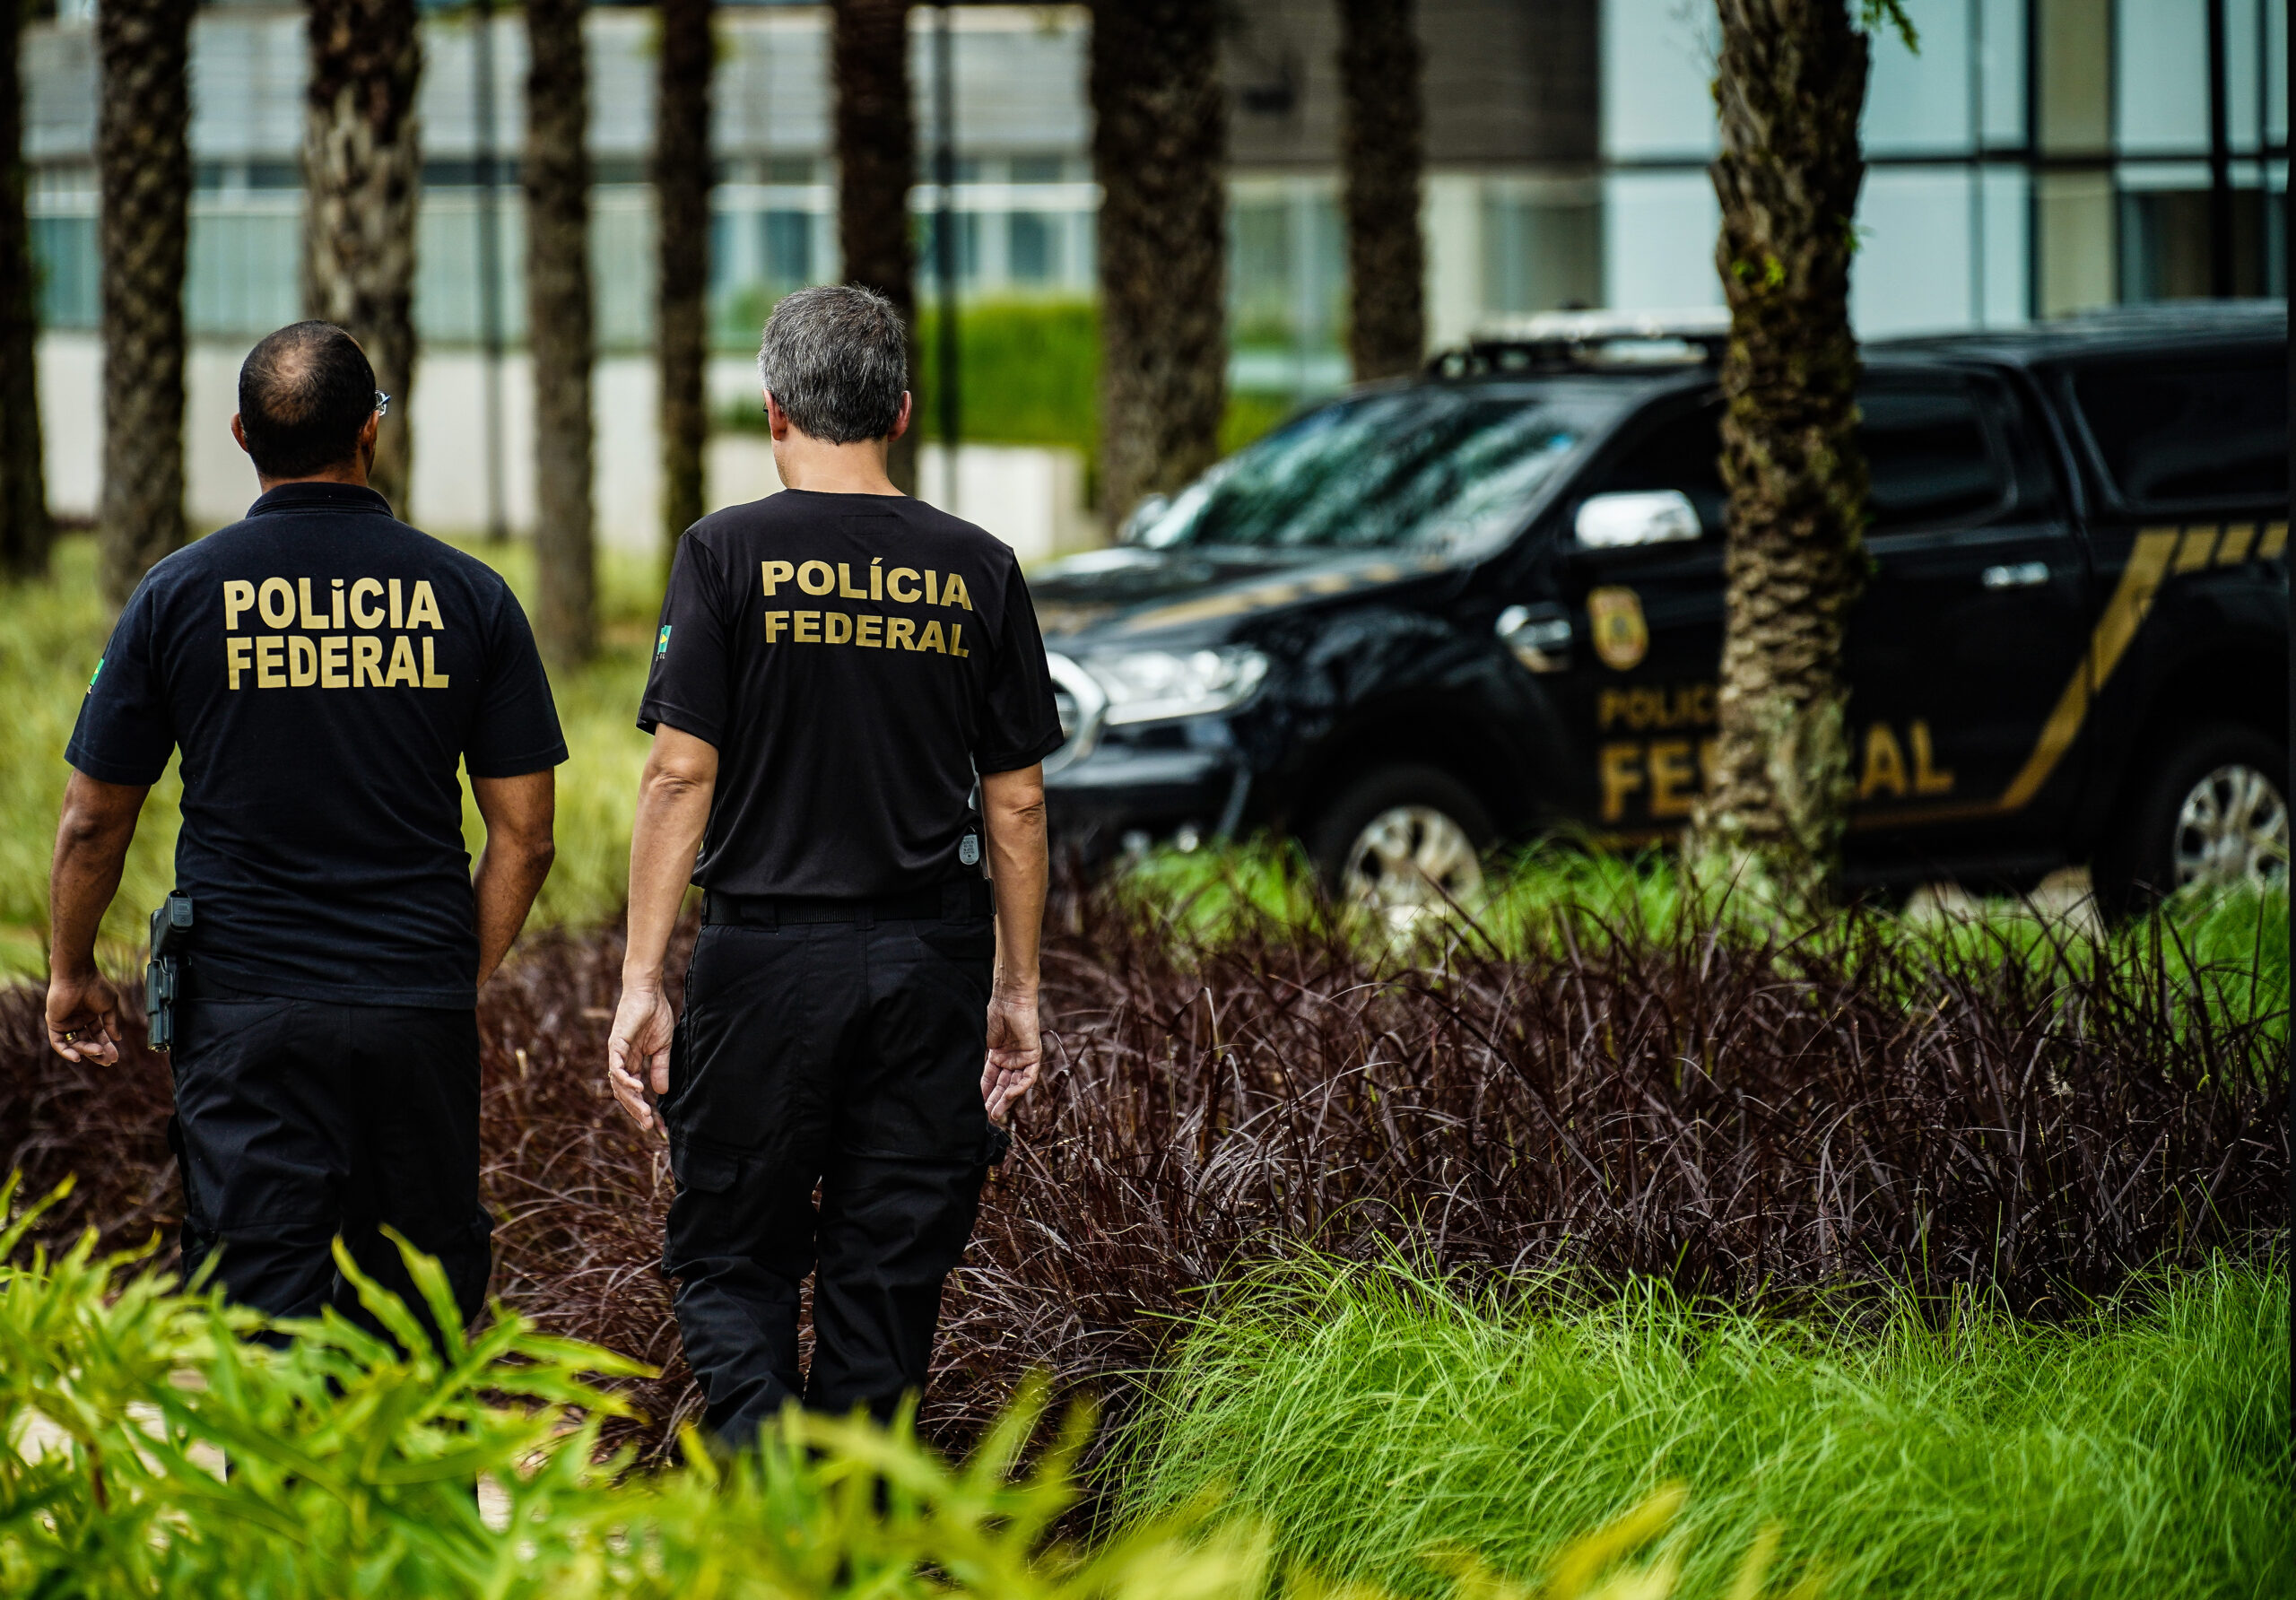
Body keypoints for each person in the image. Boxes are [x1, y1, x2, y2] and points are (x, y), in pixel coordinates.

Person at [46, 320, 565, 1342]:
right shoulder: (471, 595)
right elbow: (527, 835)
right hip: (413, 1006)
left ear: (242, 434)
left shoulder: (177, 594)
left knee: (257, 1306)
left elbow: (92, 819)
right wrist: (449, 972)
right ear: (371, 429)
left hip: (245, 1012)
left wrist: (70, 970)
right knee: (415, 1306)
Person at [606, 283, 1061, 1444]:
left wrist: (643, 981)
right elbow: (1016, 800)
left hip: (764, 966)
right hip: (927, 966)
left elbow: (677, 776)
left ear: (774, 410)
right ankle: (852, 1518)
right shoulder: (980, 566)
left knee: (730, 1254)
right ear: (900, 411)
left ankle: (769, 1499)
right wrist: (1015, 990)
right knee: (887, 1271)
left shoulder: (724, 552)